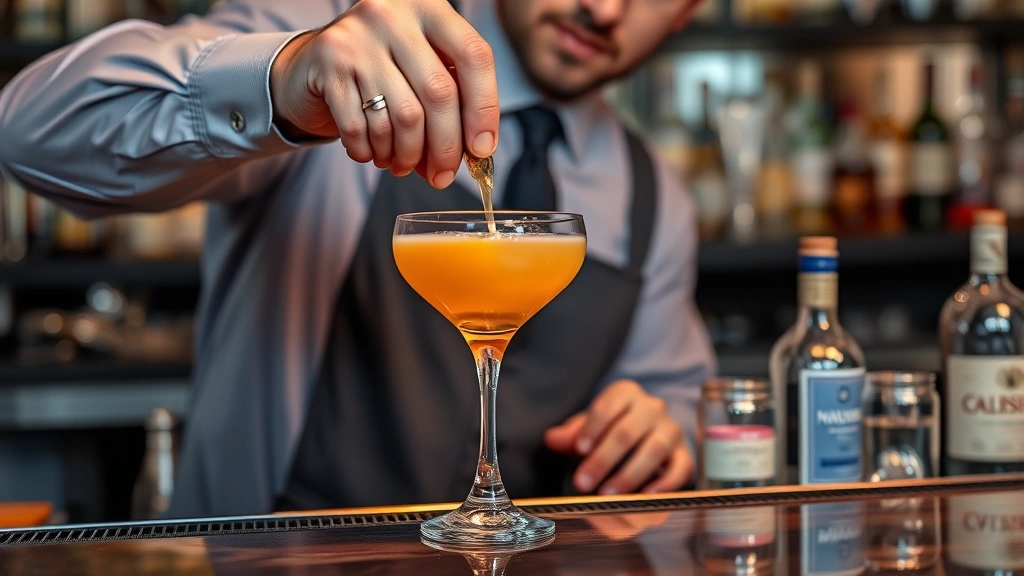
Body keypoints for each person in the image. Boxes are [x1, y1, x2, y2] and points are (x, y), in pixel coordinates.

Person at [0, 0, 715, 518]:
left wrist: (663, 429)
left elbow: (673, 391)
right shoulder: (343, 41)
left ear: (690, 13)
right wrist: (285, 78)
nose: (604, 7)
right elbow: (30, 134)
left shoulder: (657, 198)